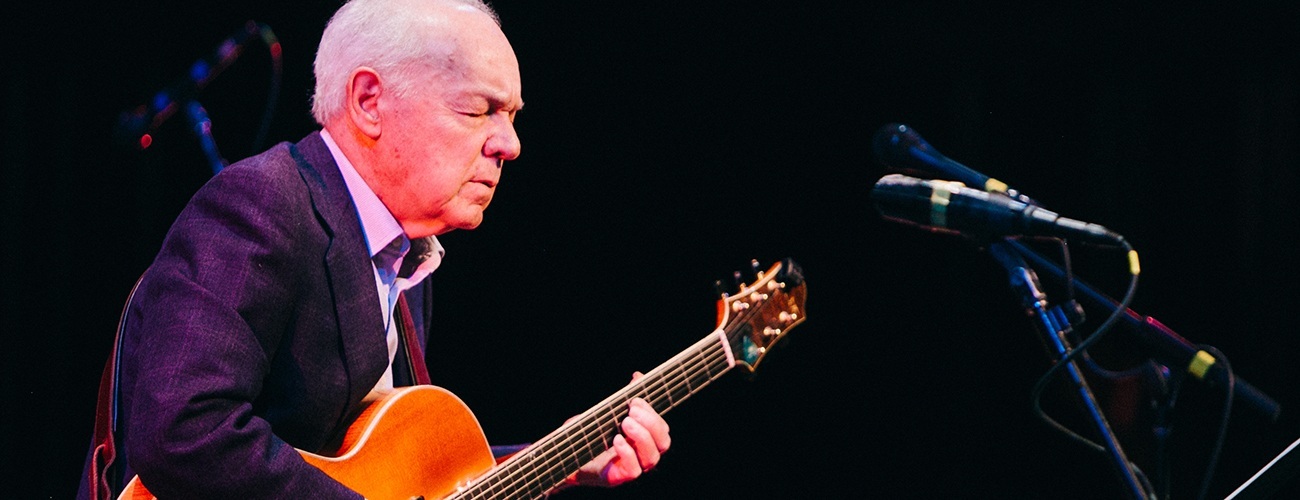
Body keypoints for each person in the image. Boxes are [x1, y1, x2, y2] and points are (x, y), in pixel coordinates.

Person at [76, 0, 671, 498]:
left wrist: (565, 458)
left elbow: (386, 468)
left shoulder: (406, 252)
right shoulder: (262, 206)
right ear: (369, 101)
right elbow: (183, 429)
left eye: (512, 116)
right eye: (479, 109)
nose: (509, 144)